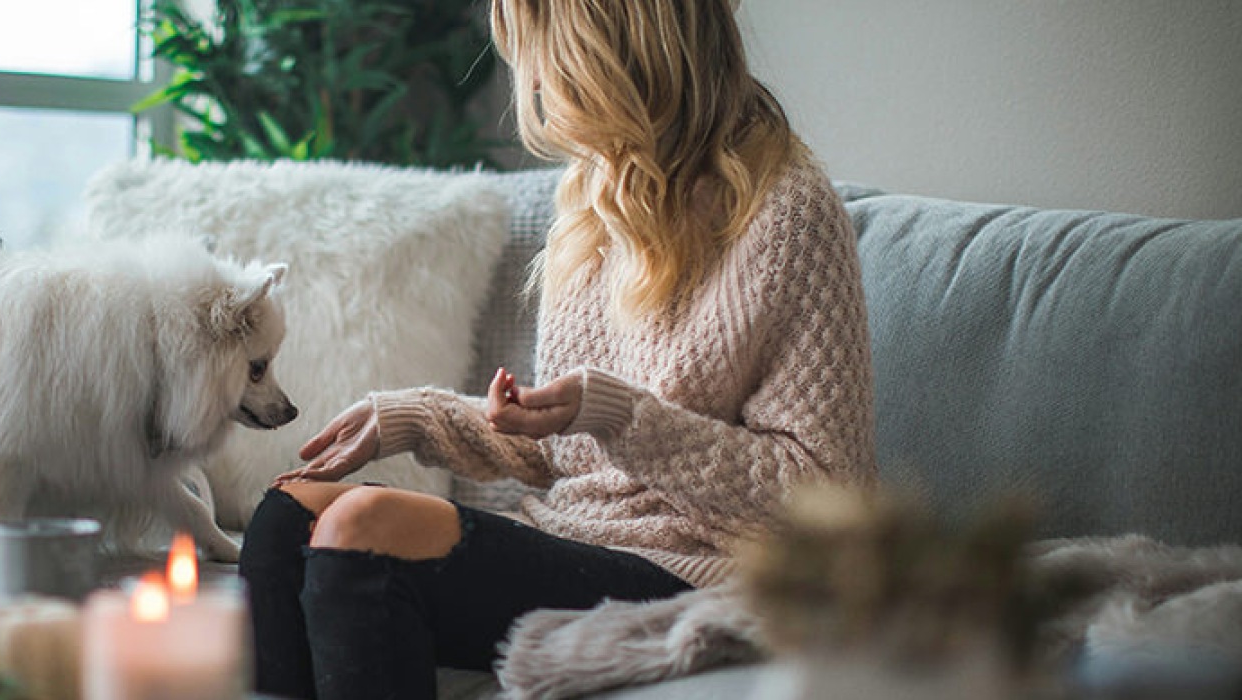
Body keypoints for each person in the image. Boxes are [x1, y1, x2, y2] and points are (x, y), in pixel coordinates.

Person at [238, 0, 876, 697]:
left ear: (610, 52)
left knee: (364, 525)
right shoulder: (594, 195)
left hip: (698, 567)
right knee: (285, 518)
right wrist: (418, 417)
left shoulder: (786, 213)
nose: (535, 85)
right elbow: (560, 449)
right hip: (572, 538)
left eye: (543, 56)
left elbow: (825, 497)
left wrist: (620, 416)